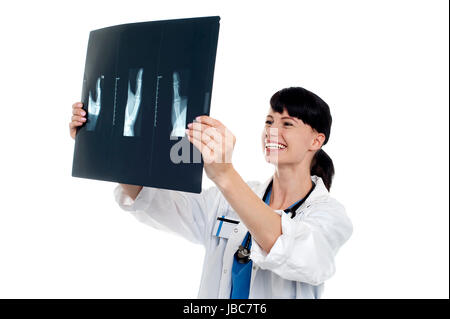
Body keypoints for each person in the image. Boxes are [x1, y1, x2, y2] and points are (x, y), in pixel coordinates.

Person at [69, 86, 353, 298]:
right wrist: (102, 140)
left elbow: (294, 251)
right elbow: (154, 201)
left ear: (317, 140)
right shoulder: (226, 200)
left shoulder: (329, 216)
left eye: (287, 123)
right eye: (269, 121)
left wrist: (224, 174)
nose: (272, 131)